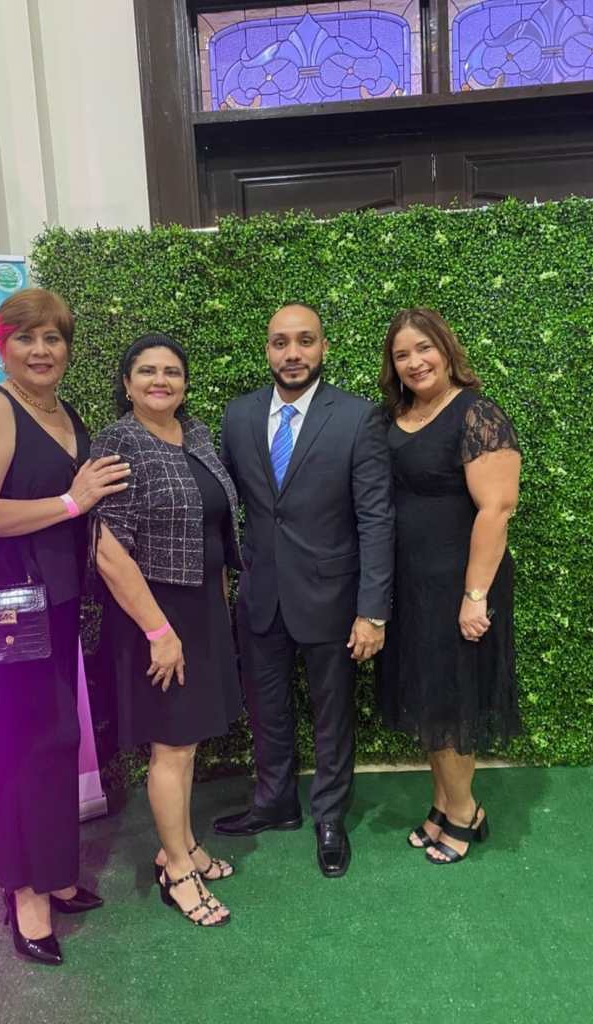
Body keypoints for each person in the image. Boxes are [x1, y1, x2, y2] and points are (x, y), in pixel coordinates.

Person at [0, 288, 130, 965]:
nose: (42, 350)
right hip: (0, 606)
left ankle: (54, 873)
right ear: (3, 346)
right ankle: (26, 895)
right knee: (19, 749)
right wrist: (70, 502)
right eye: (26, 337)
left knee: (55, 740)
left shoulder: (60, 410)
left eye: (54, 338)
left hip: (50, 602)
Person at [213, 303, 394, 878]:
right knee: (266, 707)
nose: (292, 353)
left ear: (323, 347)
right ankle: (275, 802)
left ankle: (330, 817)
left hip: (332, 598)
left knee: (332, 714)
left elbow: (376, 518)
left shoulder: (358, 418)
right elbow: (226, 506)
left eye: (305, 340)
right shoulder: (238, 416)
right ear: (268, 349)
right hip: (260, 594)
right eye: (280, 342)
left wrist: (372, 610)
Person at [91, 333, 242, 927]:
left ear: (184, 383)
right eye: (147, 371)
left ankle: (181, 845)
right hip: (154, 612)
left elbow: (212, 522)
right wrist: (158, 630)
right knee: (172, 745)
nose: (161, 381)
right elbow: (106, 549)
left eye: (172, 372)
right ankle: (177, 871)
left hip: (201, 607)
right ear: (127, 384)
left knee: (189, 740)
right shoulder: (118, 441)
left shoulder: (195, 433)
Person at [377, 307, 522, 865]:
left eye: (424, 348)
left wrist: (474, 596)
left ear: (446, 349)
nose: (414, 362)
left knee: (451, 699)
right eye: (402, 354)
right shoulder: (401, 414)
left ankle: (465, 813)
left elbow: (497, 509)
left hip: (460, 586)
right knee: (428, 698)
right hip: (412, 584)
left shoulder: (476, 412)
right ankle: (442, 804)